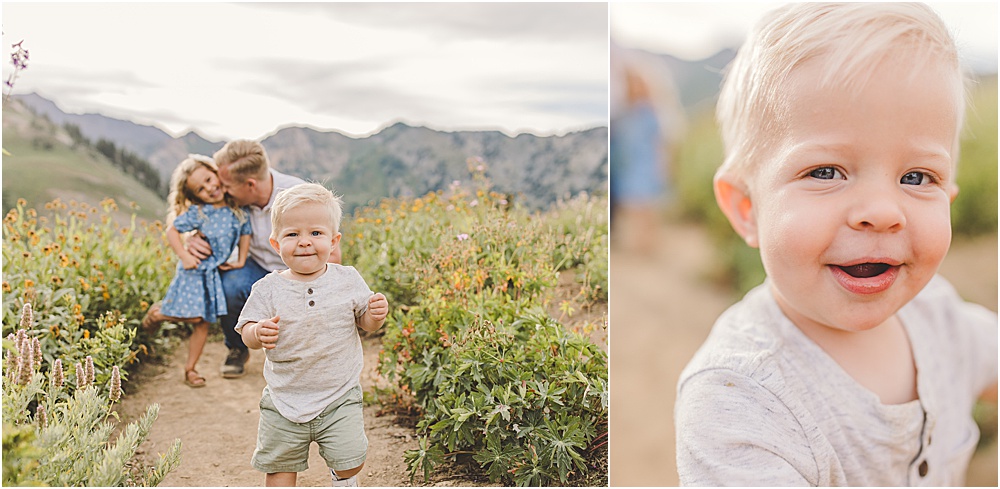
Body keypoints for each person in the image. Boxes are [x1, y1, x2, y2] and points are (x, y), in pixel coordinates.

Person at [674, 3, 998, 486]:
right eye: (825, 172)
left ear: (947, 198)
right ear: (747, 207)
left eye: (917, 176)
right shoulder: (737, 400)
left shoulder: (941, 316)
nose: (883, 211)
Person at [236, 183, 388, 487]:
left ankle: (341, 477)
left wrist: (374, 315)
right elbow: (246, 332)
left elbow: (366, 324)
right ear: (276, 244)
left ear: (333, 242)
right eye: (293, 234)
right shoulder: (267, 288)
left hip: (339, 394)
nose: (304, 242)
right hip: (284, 398)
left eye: (316, 233)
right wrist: (257, 332)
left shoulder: (348, 279)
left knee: (350, 461)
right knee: (279, 471)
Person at [185, 139, 342, 378]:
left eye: (226, 185)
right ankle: (237, 348)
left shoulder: (297, 196)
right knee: (229, 285)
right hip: (255, 268)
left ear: (249, 184)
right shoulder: (233, 200)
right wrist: (192, 239)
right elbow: (202, 217)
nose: (221, 190)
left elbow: (330, 249)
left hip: (299, 271)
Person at [141, 155, 252, 388]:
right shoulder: (200, 213)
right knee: (196, 317)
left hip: (210, 273)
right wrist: (185, 255)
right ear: (195, 197)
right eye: (201, 189)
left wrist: (241, 260)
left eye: (210, 180)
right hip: (193, 270)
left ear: (215, 173)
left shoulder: (237, 209)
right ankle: (159, 314)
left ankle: (190, 369)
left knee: (203, 322)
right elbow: (172, 231)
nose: (210, 188)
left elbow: (245, 234)